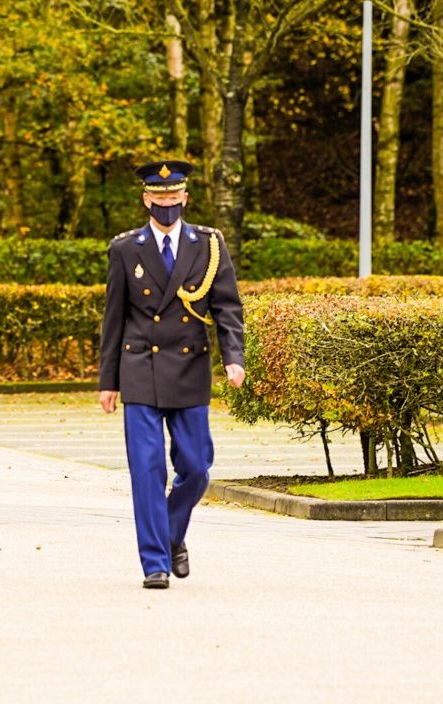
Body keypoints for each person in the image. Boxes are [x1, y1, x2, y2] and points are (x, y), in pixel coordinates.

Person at [97, 160, 245, 590]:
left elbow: (227, 307)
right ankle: (155, 563)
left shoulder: (209, 244)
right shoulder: (126, 248)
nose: (167, 203)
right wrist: (108, 381)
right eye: (159, 197)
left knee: (196, 468)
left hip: (189, 366)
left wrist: (233, 357)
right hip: (139, 367)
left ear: (186, 198)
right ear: (146, 199)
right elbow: (114, 317)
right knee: (147, 471)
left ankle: (171, 534)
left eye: (174, 196)